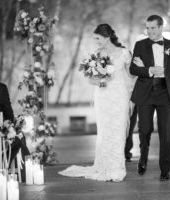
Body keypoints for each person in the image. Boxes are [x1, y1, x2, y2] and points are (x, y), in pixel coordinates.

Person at [59, 24, 136, 182]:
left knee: (118, 130)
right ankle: (103, 165)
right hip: (103, 96)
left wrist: (139, 68)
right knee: (104, 132)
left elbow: (131, 75)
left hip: (120, 96)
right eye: (95, 39)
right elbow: (89, 79)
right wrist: (100, 80)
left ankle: (116, 167)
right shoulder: (96, 54)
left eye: (98, 38)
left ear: (107, 37)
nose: (96, 41)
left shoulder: (124, 53)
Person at [129, 15, 170, 181]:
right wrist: (149, 70)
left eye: (153, 28)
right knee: (145, 130)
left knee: (166, 134)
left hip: (164, 93)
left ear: (161, 27)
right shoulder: (140, 45)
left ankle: (165, 169)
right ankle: (143, 159)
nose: (149, 31)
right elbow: (133, 69)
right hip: (145, 93)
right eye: (147, 28)